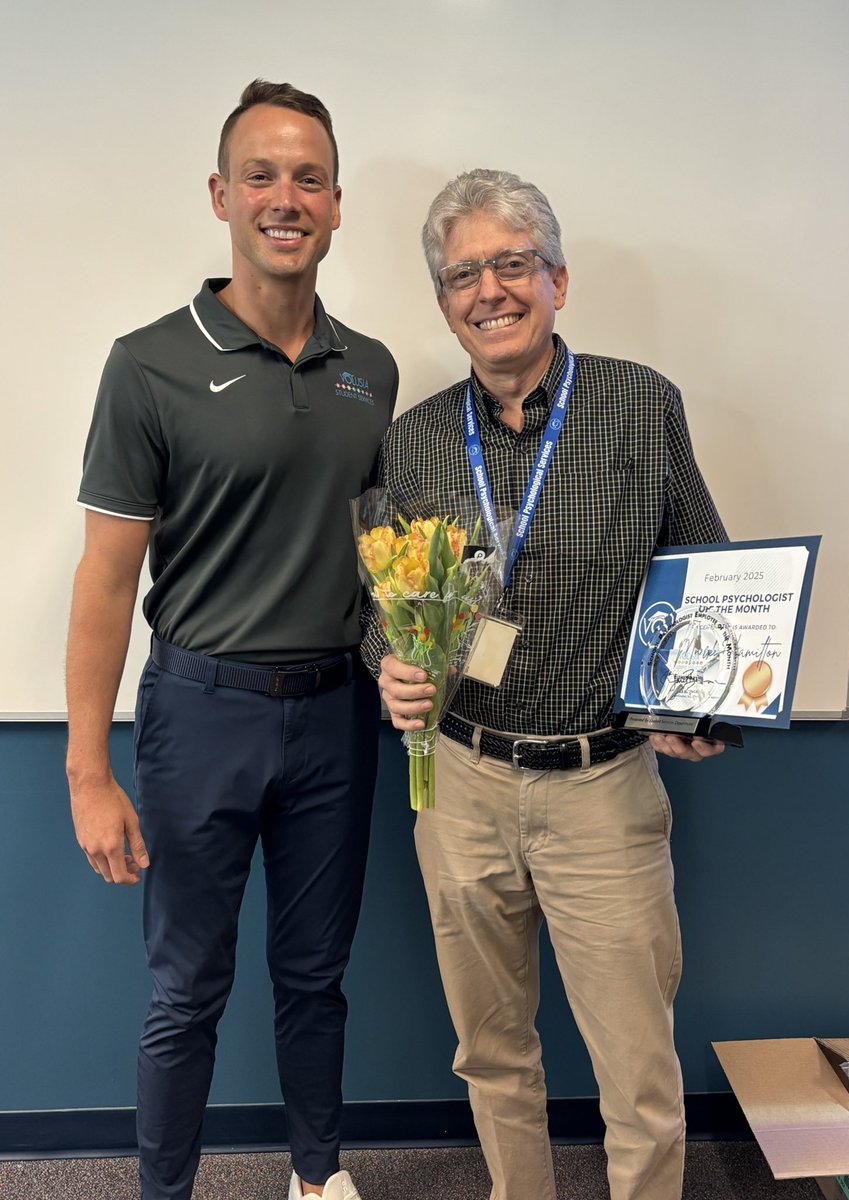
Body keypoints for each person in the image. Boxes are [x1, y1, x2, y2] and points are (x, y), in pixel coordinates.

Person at [66, 80, 397, 1200]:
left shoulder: (371, 371)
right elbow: (107, 580)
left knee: (316, 979)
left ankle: (317, 1179)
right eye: (261, 174)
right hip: (199, 714)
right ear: (221, 194)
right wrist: (86, 770)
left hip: (337, 719)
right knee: (184, 991)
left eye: (309, 178)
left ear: (339, 205)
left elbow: (386, 558)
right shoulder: (148, 362)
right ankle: (165, 1191)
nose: (284, 197)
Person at [370, 169, 726, 1200]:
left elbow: (701, 573)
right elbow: (381, 612)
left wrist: (703, 701)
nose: (490, 290)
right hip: (462, 788)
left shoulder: (638, 404)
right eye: (464, 275)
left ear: (557, 280)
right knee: (491, 1057)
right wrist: (387, 665)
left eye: (512, 264)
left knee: (639, 1078)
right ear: (446, 304)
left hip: (602, 791)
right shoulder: (417, 437)